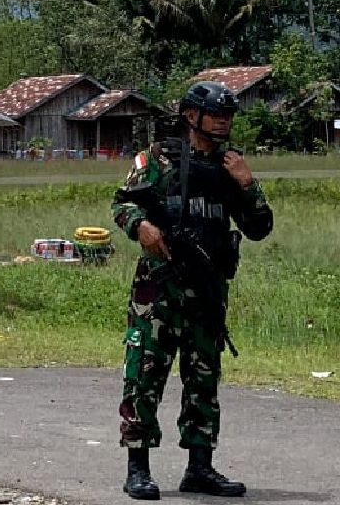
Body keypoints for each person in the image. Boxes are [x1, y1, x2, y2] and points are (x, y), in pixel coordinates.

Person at [111, 81, 273, 500]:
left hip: (207, 290)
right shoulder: (158, 159)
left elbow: (259, 228)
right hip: (160, 289)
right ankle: (138, 468)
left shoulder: (230, 166)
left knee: (203, 378)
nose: (224, 121)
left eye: (229, 115)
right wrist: (142, 227)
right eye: (216, 113)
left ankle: (200, 467)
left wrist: (247, 184)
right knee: (145, 374)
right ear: (191, 117)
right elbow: (123, 204)